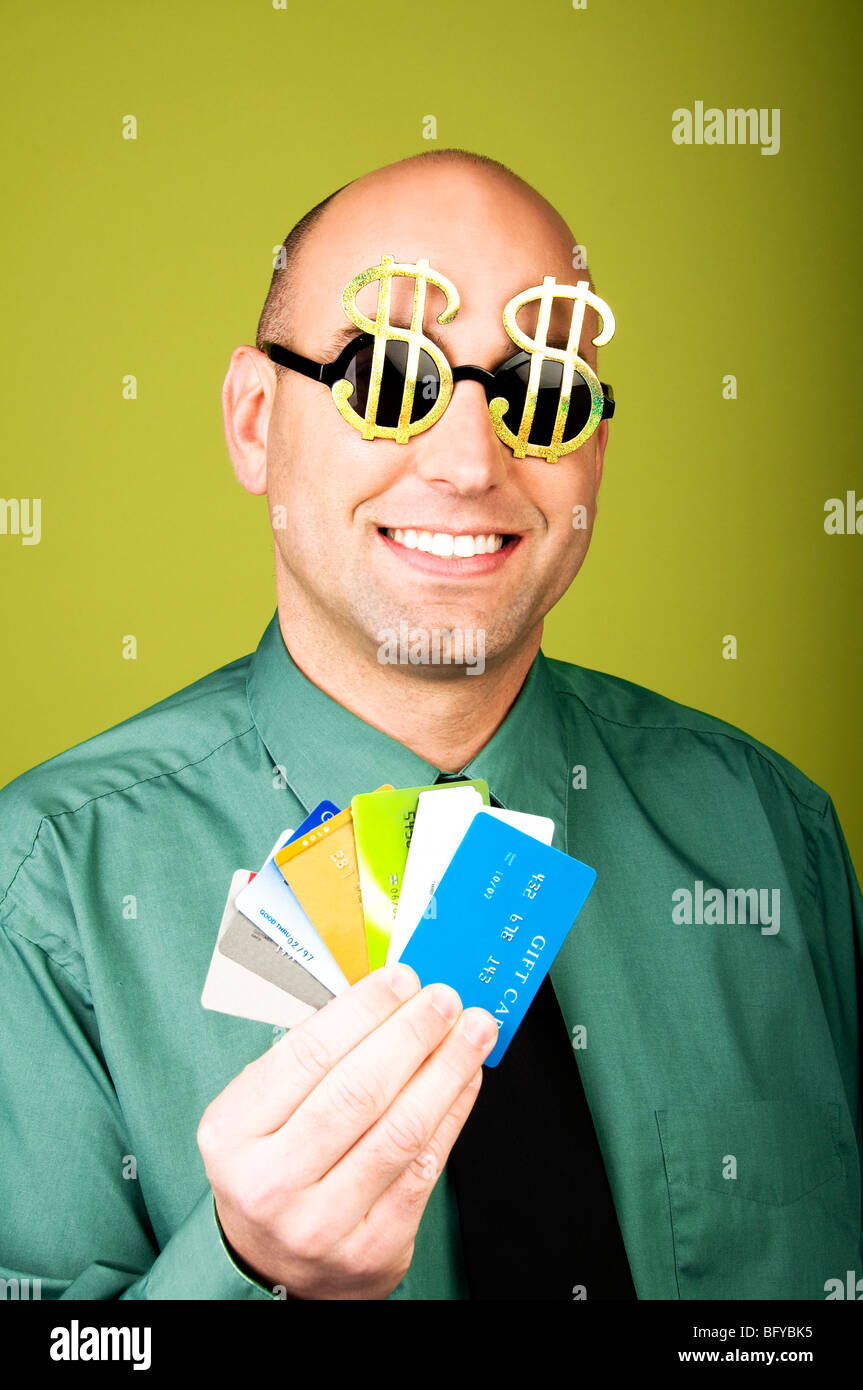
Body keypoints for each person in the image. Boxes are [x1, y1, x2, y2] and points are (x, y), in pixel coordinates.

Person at [0, 148, 860, 1303]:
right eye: (386, 374)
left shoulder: (773, 833)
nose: (468, 463)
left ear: (591, 448)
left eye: (540, 391)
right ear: (255, 423)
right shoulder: (43, 891)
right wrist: (244, 1271)